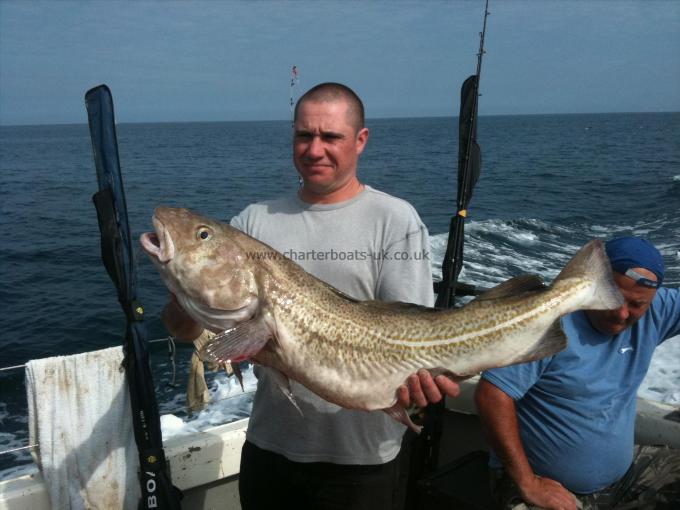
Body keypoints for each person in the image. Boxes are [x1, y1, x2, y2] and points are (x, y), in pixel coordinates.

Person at [163, 82, 460, 509]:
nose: (314, 149)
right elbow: (181, 328)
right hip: (269, 449)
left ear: (361, 141)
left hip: (364, 462)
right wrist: (186, 291)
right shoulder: (252, 221)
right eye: (304, 135)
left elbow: (411, 334)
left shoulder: (394, 220)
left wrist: (423, 382)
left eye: (330, 136)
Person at [475, 237, 680, 510]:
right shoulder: (548, 322)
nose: (621, 313)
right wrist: (528, 482)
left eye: (636, 305)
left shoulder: (657, 310)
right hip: (541, 484)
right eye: (612, 297)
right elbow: (491, 395)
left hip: (623, 479)